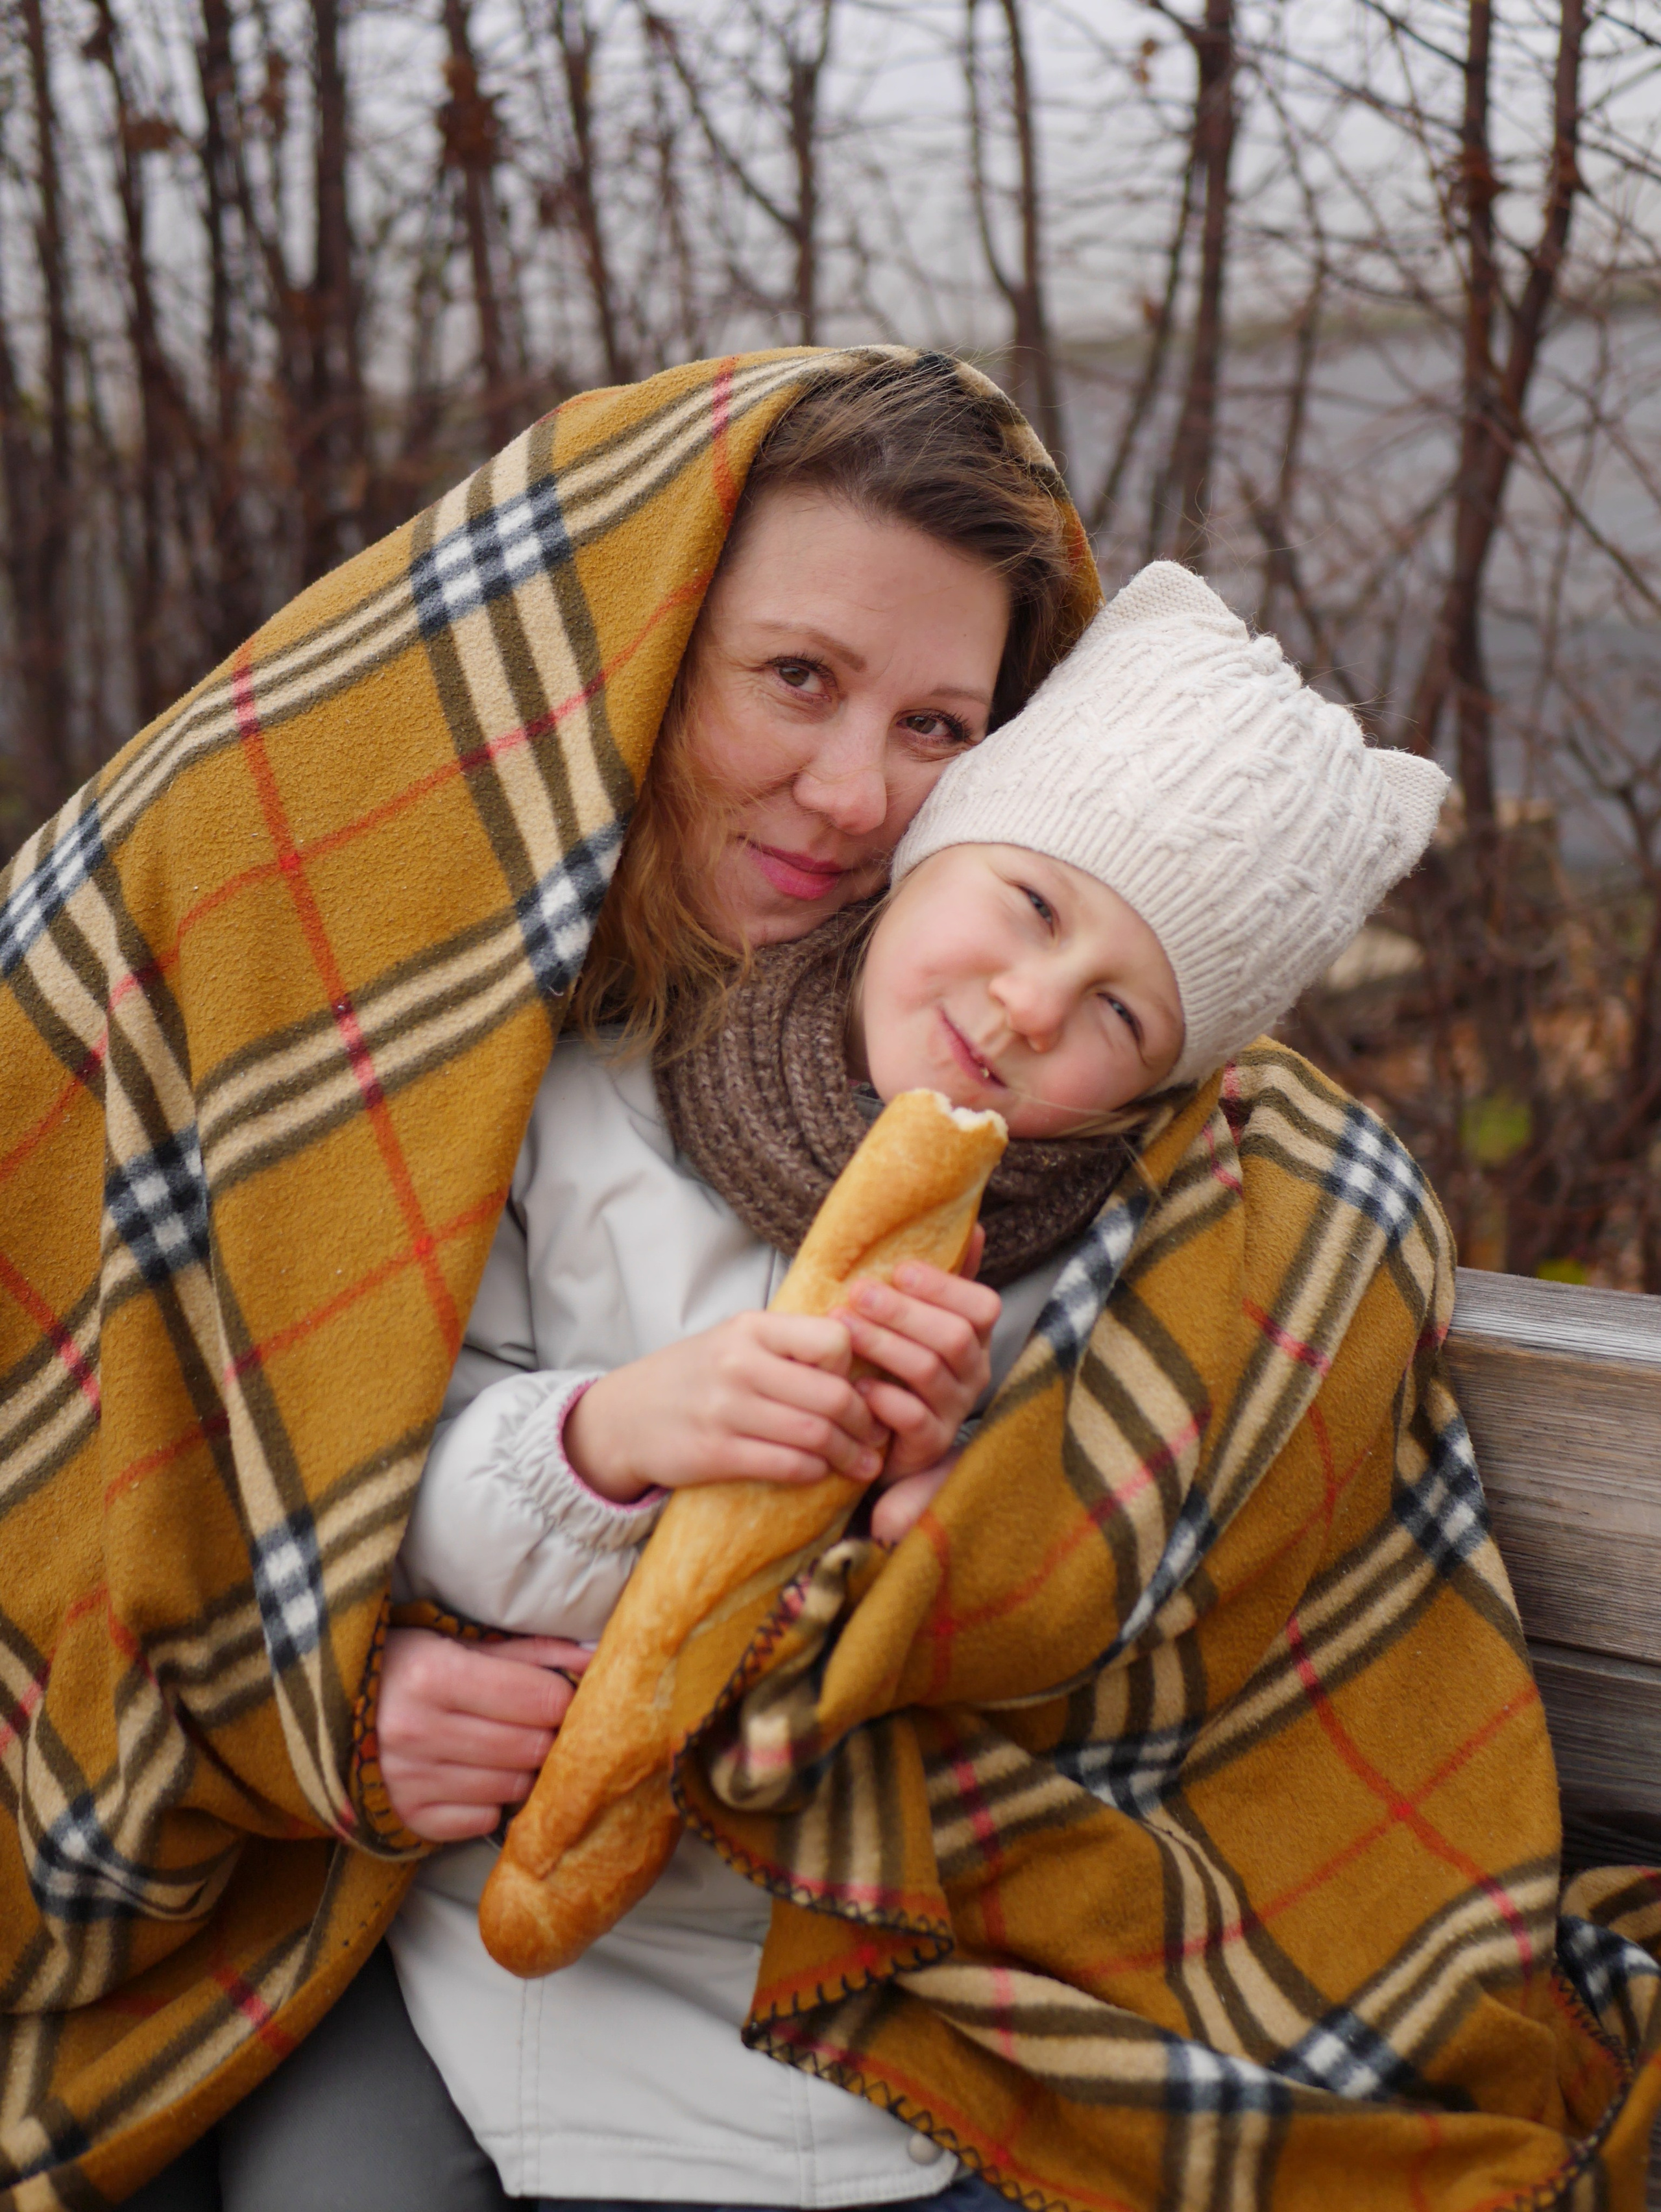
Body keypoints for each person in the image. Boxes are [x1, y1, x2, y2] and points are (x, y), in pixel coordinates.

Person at [243, 560, 1445, 2212]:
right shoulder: (584, 1097)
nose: (1027, 1008)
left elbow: (1097, 1615)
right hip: (530, 1991)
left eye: (1116, 1009)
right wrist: (613, 1436)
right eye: (1026, 905)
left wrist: (938, 1535)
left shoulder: (1115, 1262)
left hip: (876, 1999)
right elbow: (390, 1486)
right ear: (929, 855)